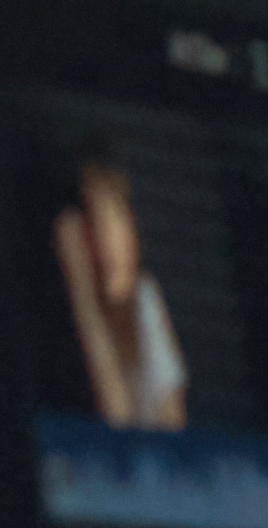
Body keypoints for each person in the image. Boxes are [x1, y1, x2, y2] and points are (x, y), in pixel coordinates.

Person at [47, 145, 185, 428]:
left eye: (116, 218)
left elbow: (170, 429)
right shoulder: (62, 324)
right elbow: (113, 419)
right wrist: (84, 300)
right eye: (96, 225)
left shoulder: (145, 299)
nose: (108, 244)